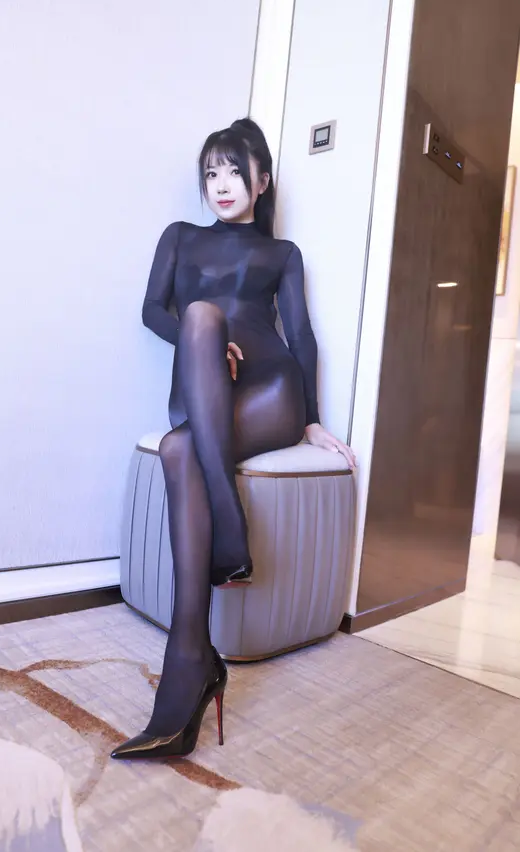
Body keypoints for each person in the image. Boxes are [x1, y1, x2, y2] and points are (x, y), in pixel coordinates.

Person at [111, 118, 355, 762]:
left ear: (262, 181)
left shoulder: (283, 254)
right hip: (204, 387)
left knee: (178, 448)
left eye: (234, 172)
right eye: (211, 173)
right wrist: (208, 343)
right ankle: (222, 560)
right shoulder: (180, 237)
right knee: (198, 319)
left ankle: (188, 662)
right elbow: (151, 310)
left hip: (271, 391)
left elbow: (301, 336)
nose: (221, 184)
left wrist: (312, 418)